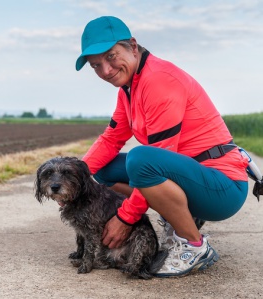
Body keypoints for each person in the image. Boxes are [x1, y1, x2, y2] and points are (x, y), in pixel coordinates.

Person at [75, 16, 249, 277]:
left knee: (141, 159)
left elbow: (157, 160)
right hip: (193, 177)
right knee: (104, 171)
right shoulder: (128, 88)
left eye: (111, 57)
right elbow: (110, 139)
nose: (106, 70)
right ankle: (177, 215)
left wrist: (125, 218)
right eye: (96, 65)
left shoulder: (159, 80)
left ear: (133, 46)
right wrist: (74, 178)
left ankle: (193, 245)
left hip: (222, 188)